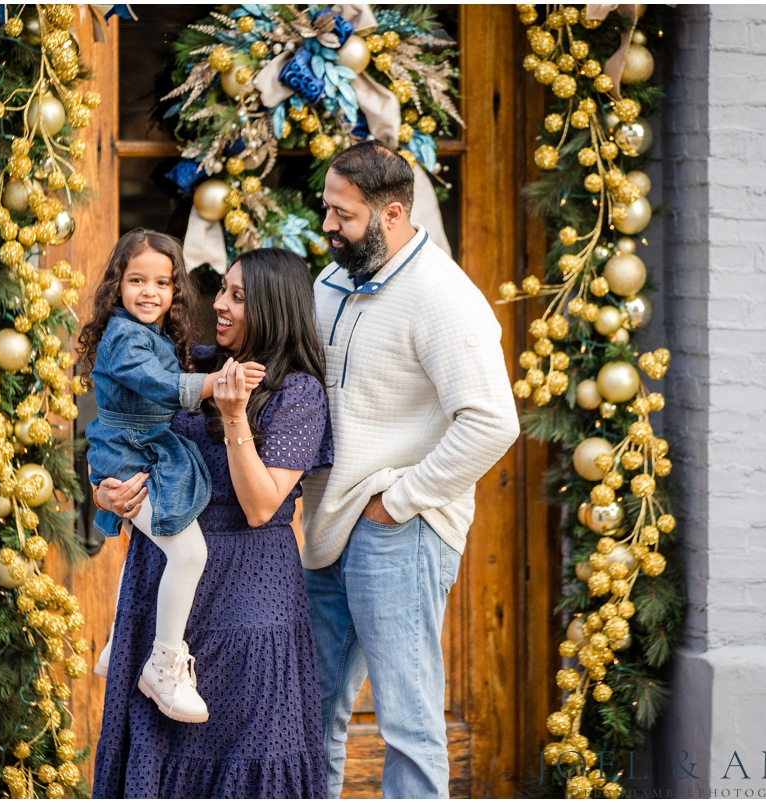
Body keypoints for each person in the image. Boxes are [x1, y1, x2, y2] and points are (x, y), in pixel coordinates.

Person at [301, 141, 521, 798]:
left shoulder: (442, 297)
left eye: (342, 214)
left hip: (399, 529)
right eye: (327, 210)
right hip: (328, 523)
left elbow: (492, 421)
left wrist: (399, 501)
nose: (328, 226)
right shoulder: (329, 281)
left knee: (408, 720)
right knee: (313, 711)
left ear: (392, 213)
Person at [89, 248, 332, 798]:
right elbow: (121, 429)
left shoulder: (298, 392)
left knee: (247, 746)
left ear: (273, 306)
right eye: (222, 289)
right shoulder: (187, 364)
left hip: (251, 592)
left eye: (237, 297)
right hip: (165, 584)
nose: (218, 304)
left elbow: (261, 505)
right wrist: (103, 487)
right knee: (157, 744)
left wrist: (234, 413)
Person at [78, 229, 265, 723]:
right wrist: (214, 384)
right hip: (128, 452)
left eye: (162, 283)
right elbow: (154, 384)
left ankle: (120, 643)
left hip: (144, 448)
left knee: (161, 541)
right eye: (136, 279)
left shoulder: (154, 334)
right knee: (187, 550)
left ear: (176, 290)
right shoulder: (123, 337)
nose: (149, 292)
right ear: (116, 284)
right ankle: (162, 665)